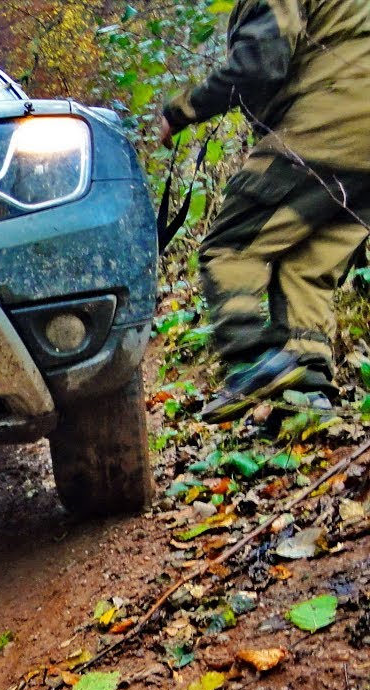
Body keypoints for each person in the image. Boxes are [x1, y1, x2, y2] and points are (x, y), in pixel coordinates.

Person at [158, 0, 370, 423]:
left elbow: (260, 63)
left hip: (326, 130)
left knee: (229, 249)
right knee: (305, 268)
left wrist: (182, 109)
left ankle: (252, 366)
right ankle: (309, 401)